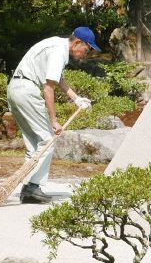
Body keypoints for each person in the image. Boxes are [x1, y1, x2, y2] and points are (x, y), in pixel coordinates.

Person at [7, 27, 98, 204]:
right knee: (47, 139)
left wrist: (76, 98)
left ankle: (28, 188)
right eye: (86, 50)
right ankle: (32, 187)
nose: (85, 55)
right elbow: (49, 88)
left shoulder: (56, 45)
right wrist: (54, 121)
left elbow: (58, 79)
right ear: (77, 43)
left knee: (35, 143)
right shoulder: (59, 51)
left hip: (15, 88)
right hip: (27, 90)